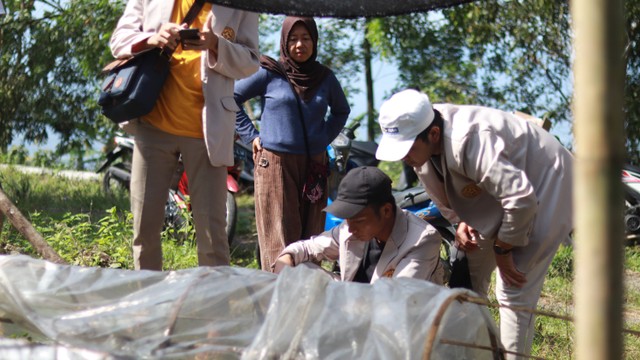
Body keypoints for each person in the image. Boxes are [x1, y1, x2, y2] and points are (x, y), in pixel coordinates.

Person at [375, 89, 573, 359]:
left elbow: (520, 199)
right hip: (507, 192)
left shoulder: (469, 140)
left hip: (549, 183)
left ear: (432, 135)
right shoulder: (422, 140)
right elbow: (443, 192)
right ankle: (470, 350)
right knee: (469, 261)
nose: (403, 157)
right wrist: (460, 220)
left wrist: (503, 250)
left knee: (514, 286)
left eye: (407, 148)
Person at [109, 0, 260, 270]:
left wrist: (216, 45)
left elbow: (250, 61)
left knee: (213, 237)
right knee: (144, 228)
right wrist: (152, 38)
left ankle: (210, 306)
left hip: (208, 132)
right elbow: (119, 41)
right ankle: (150, 303)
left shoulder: (241, 5)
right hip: (153, 125)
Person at [234, 16, 350, 271]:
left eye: (306, 38)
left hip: (315, 167)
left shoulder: (324, 78)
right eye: (293, 39)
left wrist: (323, 138)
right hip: (275, 163)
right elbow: (232, 99)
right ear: (284, 43)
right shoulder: (269, 72)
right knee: (279, 236)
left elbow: (341, 110)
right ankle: (279, 298)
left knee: (312, 238)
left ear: (315, 41)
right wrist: (251, 136)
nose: (300, 45)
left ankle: (309, 298)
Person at [273, 166, 444, 285]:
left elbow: (397, 298)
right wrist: (286, 259)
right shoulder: (350, 227)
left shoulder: (422, 239)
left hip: (397, 320)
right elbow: (308, 247)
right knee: (301, 270)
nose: (351, 228)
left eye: (359, 220)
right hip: (353, 303)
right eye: (348, 219)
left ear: (386, 211)